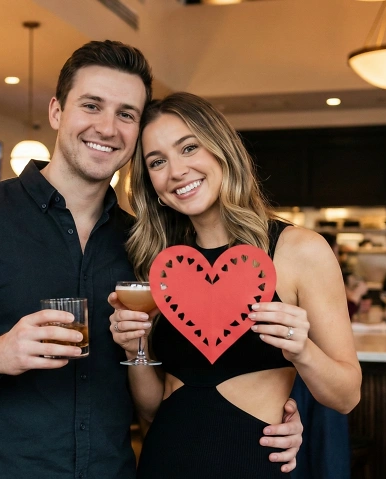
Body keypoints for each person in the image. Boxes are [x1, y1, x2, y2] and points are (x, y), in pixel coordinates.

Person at [0, 41, 303, 477]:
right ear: (56, 112)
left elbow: (183, 378)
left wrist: (276, 416)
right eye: (91, 105)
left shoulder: (146, 245)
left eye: (126, 114)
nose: (107, 128)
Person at [109, 92, 361, 477]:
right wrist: (136, 346)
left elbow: (346, 396)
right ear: (151, 185)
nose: (176, 171)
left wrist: (302, 350)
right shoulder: (161, 264)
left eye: (189, 148)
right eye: (157, 162)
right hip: (163, 462)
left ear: (222, 150)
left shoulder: (299, 250)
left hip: (252, 465)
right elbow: (151, 409)